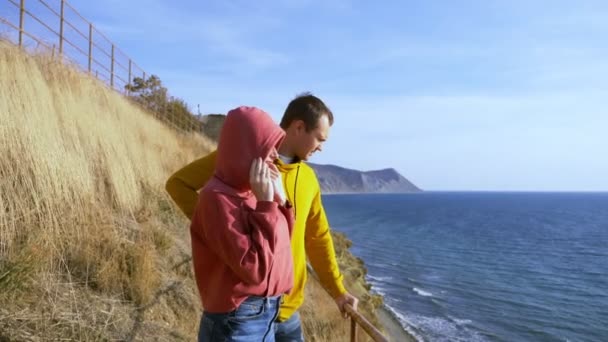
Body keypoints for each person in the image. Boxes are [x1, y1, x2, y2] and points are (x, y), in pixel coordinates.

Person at [167, 93, 358, 341]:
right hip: (245, 310)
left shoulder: (309, 179)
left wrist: (339, 292)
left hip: (288, 310)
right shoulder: (239, 159)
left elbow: (318, 238)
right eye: (320, 138)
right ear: (299, 127)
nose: (321, 147)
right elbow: (178, 184)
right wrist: (215, 232)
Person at [192, 106, 295, 341]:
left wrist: (281, 201)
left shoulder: (252, 191)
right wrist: (266, 204)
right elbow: (254, 269)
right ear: (246, 149)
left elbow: (282, 244)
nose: (275, 156)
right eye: (269, 148)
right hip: (238, 319)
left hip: (266, 312)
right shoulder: (216, 197)